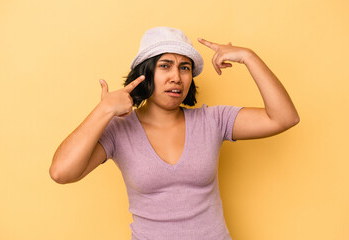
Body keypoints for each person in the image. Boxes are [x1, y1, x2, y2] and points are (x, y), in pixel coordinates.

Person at [50, 27, 299, 240]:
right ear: (145, 73)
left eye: (185, 68)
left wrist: (248, 56)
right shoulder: (119, 131)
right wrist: (103, 111)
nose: (176, 77)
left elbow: (284, 117)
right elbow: (61, 172)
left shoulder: (212, 120)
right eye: (165, 66)